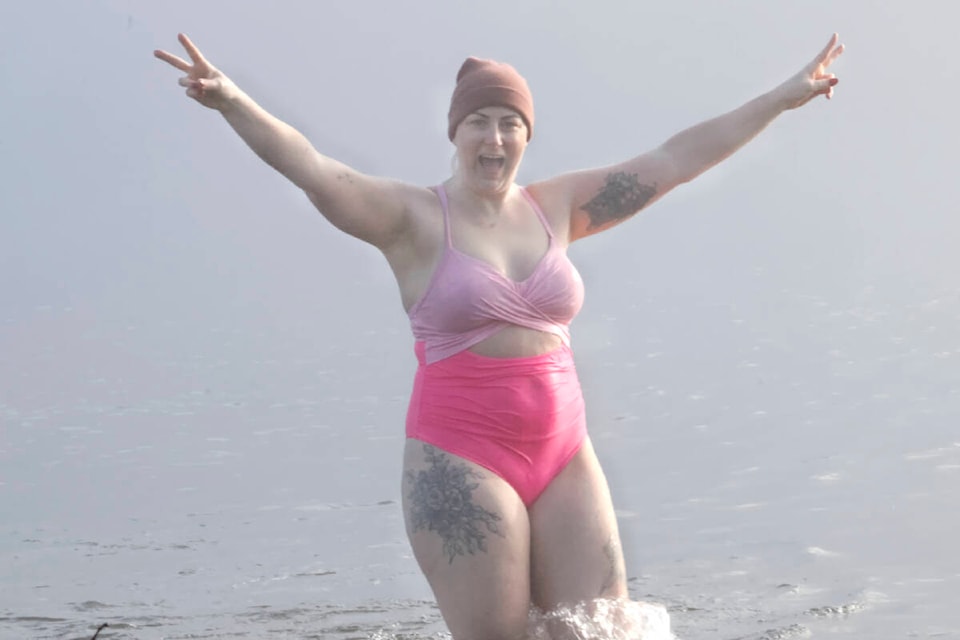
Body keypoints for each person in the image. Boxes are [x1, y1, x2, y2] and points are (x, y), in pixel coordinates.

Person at [155, 32, 844, 640]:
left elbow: (675, 158)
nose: (494, 138)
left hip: (565, 451)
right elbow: (311, 166)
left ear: (526, 134)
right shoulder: (411, 218)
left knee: (602, 632)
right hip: (461, 457)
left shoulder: (559, 207)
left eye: (510, 123)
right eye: (479, 122)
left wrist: (781, 99)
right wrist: (232, 100)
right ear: (454, 134)